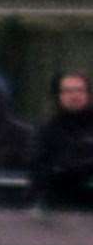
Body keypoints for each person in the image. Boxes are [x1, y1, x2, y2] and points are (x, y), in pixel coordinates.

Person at [30, 70, 93, 209]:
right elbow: (39, 168)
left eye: (79, 90)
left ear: (88, 94)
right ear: (59, 96)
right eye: (68, 91)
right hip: (59, 210)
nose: (74, 95)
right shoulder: (46, 129)